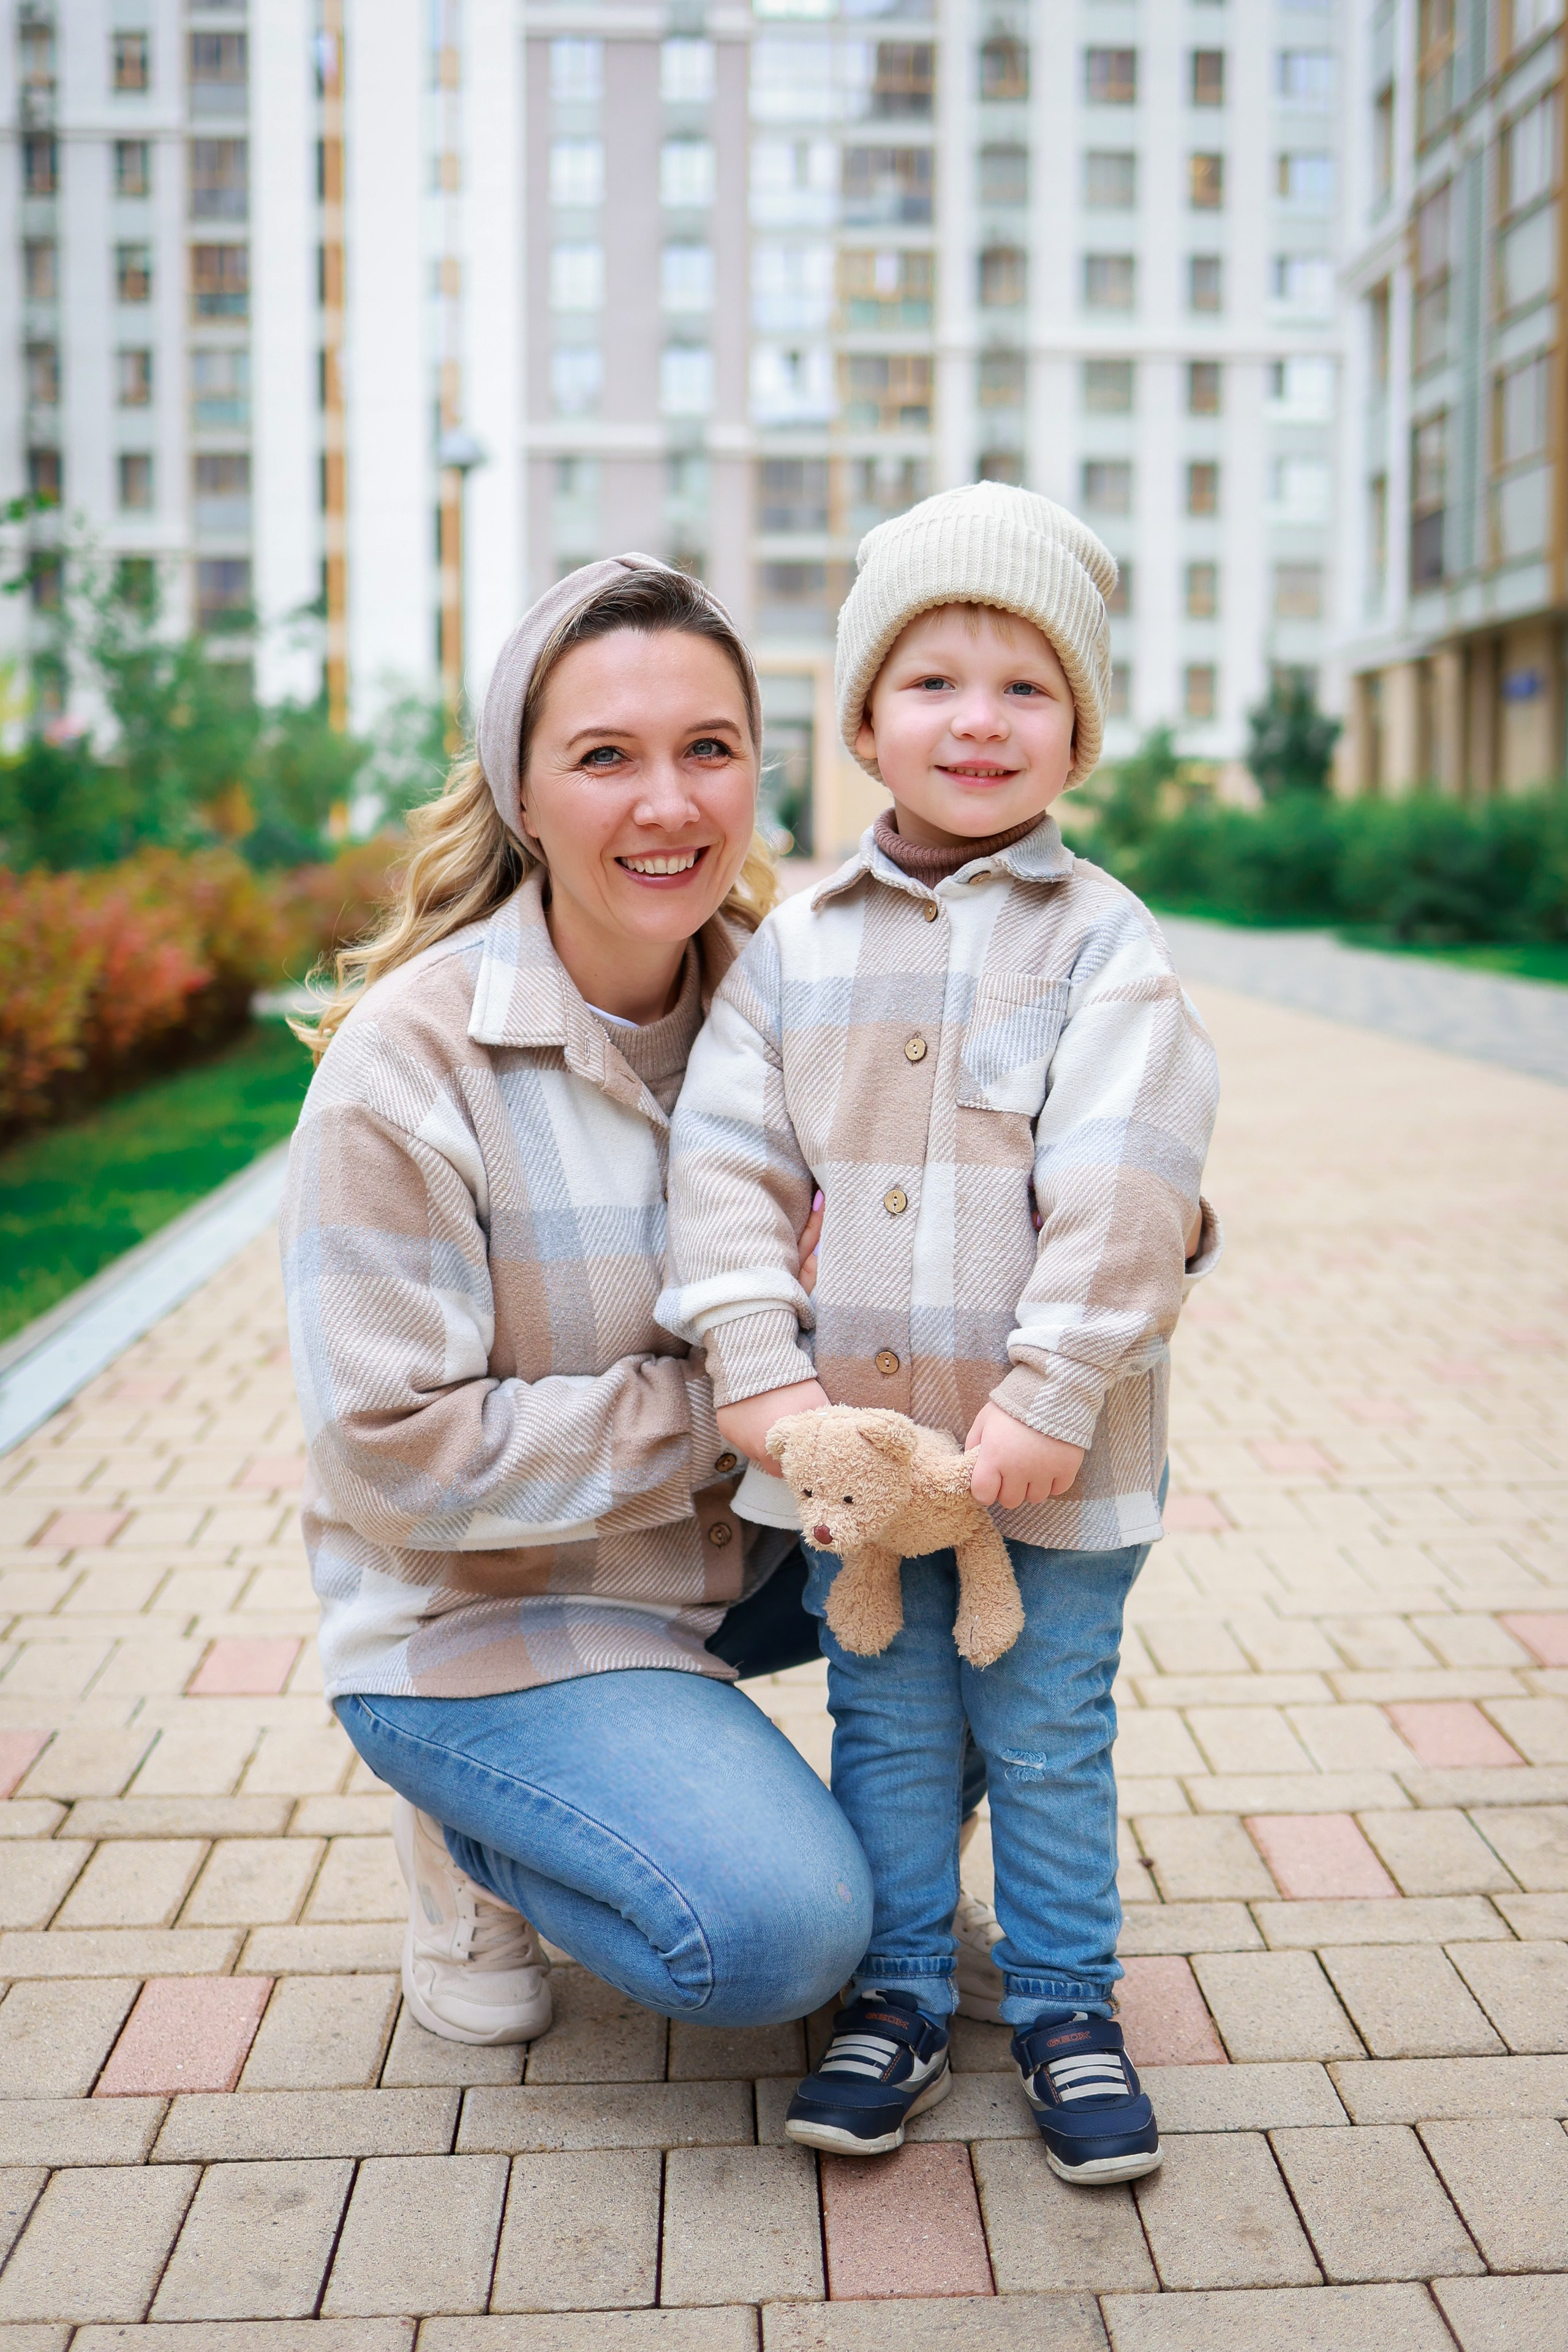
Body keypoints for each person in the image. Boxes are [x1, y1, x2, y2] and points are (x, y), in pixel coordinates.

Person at [661, 483, 1221, 2181]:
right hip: (864, 1479)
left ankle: (1062, 1999)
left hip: (1055, 1465)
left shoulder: (1104, 945)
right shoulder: (792, 953)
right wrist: (762, 1375)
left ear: (1078, 731)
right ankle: (898, 1987)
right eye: (932, 681)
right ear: (864, 720)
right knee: (888, 1725)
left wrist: (1054, 1392)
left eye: (1026, 687)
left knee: (1049, 1732)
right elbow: (727, 1170)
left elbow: (1129, 1184)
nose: (977, 721)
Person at [279, 556, 876, 2047]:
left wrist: (1130, 1238)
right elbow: (389, 1450)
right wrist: (723, 1402)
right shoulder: (411, 1069)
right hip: (486, 1613)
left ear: (757, 773)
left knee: (1019, 1565)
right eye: (605, 757)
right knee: (776, 1939)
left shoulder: (802, 1003)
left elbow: (981, 1208)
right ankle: (479, 1833)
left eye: (709, 751)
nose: (666, 806)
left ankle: (904, 1913)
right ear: (522, 795)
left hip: (734, 1567)